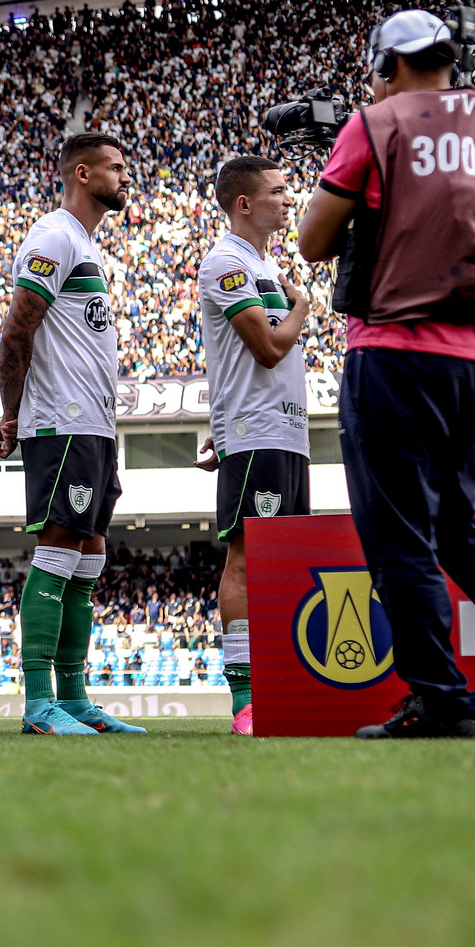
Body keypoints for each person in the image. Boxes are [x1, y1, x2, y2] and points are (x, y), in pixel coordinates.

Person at [298, 9, 475, 739]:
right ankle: (443, 695)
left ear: (386, 66)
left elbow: (312, 240)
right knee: (458, 526)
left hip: (394, 349)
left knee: (400, 537)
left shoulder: (375, 125)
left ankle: (443, 701)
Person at [0, 133, 146, 736]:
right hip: (60, 420)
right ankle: (38, 705)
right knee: (58, 553)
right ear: (82, 174)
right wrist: (12, 412)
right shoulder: (54, 236)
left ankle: (75, 699)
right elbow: (16, 331)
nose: (125, 177)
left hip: (95, 427)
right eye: (115, 168)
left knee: (89, 558)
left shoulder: (87, 245)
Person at [192, 156, 312, 738]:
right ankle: (245, 698)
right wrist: (303, 312)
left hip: (288, 433)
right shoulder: (226, 262)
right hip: (256, 433)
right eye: (278, 192)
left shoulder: (264, 264)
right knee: (247, 558)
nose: (288, 200)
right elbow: (267, 349)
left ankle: (285, 688)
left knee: (284, 563)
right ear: (245, 203)